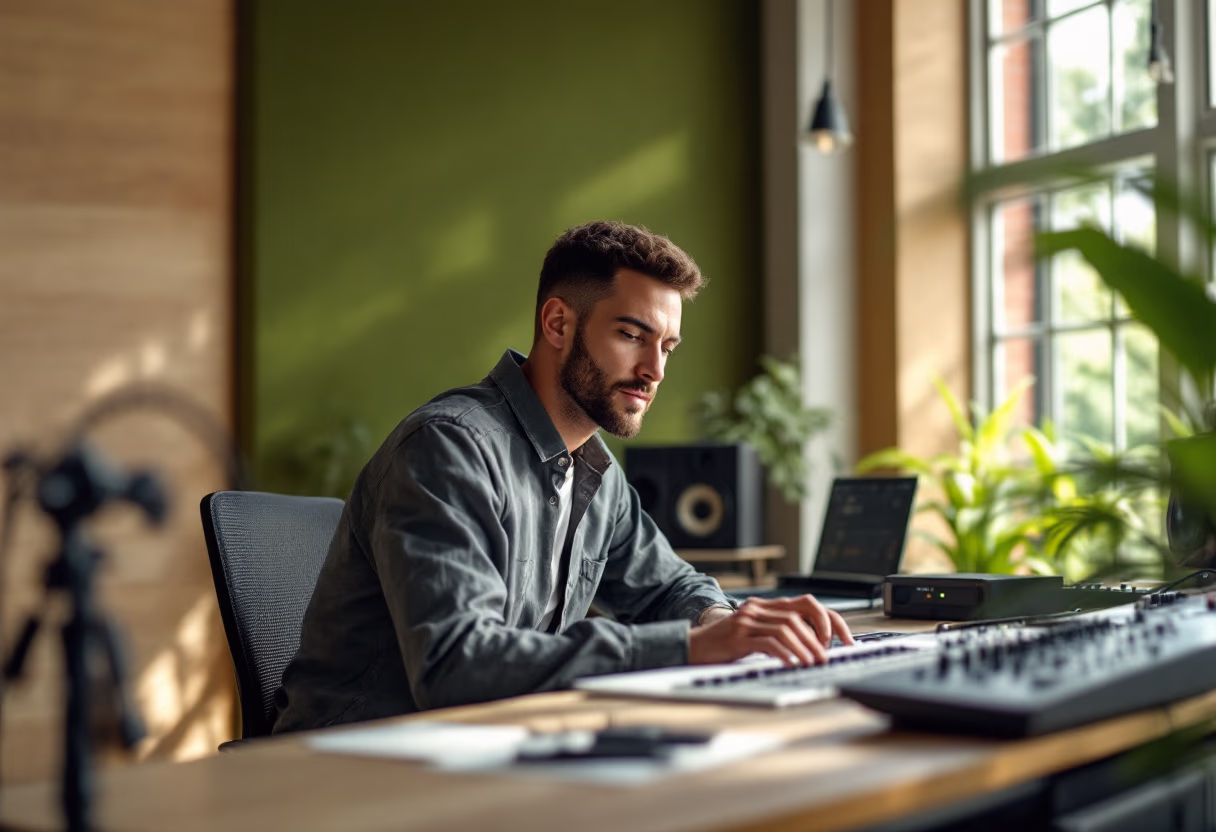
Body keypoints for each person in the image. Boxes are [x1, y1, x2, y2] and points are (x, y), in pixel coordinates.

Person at [273, 220, 853, 733]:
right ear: (557, 324)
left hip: (490, 747)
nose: (654, 370)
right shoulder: (449, 447)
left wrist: (724, 623)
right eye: (632, 335)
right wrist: (689, 647)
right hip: (347, 769)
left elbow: (668, 586)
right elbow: (456, 664)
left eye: (667, 347)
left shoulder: (596, 472)